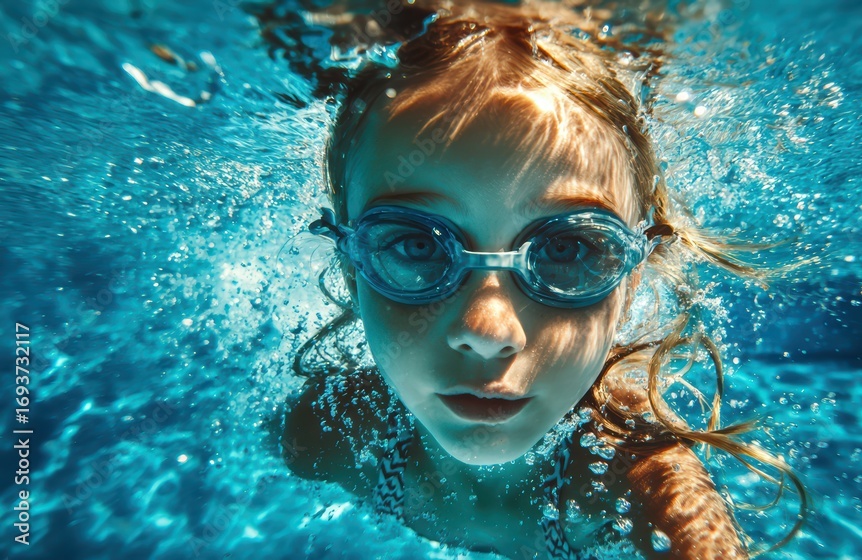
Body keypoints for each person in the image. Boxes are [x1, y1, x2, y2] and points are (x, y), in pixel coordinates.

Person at [271, 1, 807, 557]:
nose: (487, 330)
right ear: (351, 269)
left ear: (631, 281)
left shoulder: (635, 480)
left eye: (566, 249)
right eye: (416, 245)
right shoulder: (330, 437)